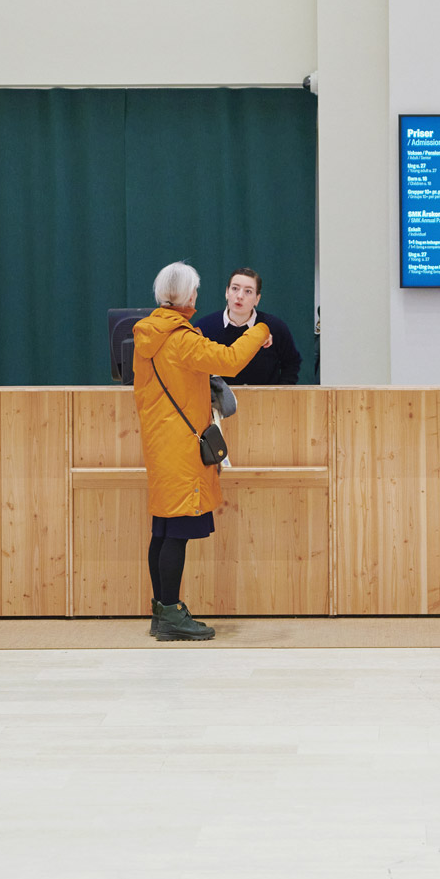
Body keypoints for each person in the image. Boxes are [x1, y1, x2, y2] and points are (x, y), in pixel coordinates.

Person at [133, 261, 271, 641]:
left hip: (161, 442)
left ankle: (162, 611)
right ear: (187, 296)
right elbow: (228, 360)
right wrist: (259, 331)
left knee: (162, 530)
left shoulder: (149, 334)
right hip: (181, 445)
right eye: (195, 291)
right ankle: (173, 614)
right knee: (175, 531)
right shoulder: (179, 337)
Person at [192, 267, 302, 385]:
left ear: (257, 299)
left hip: (265, 401)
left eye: (248, 291)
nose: (240, 296)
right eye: (235, 288)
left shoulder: (275, 327)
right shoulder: (204, 327)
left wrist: (280, 393)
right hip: (217, 402)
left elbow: (292, 363)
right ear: (227, 292)